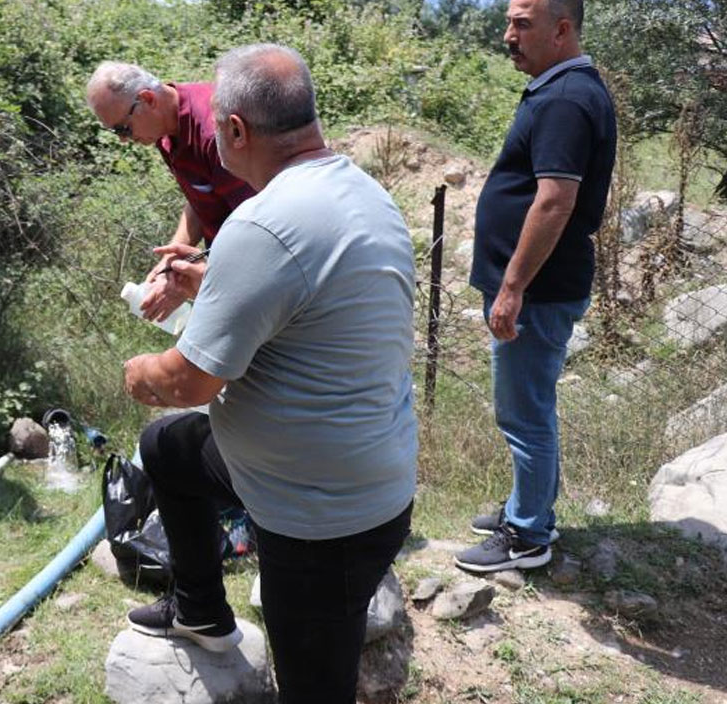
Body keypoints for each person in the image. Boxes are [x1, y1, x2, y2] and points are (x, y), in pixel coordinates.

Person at [121, 44, 418, 703]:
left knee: (314, 689)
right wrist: (211, 284)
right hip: (357, 471)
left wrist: (142, 371)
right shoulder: (361, 193)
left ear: (235, 132)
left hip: (322, 517)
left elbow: (189, 381)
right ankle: (200, 608)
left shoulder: (264, 222)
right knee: (168, 449)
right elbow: (303, 306)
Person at [454, 0, 616, 573]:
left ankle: (527, 535)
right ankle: (530, 508)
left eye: (522, 24)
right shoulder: (560, 90)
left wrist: (513, 286)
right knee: (527, 408)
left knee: (524, 414)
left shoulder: (568, 99)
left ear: (561, 29)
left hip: (539, 290)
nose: (508, 36)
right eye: (508, 22)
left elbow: (554, 200)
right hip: (538, 286)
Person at [85, 62, 255, 324]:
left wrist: (197, 281)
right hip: (232, 270)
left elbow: (258, 229)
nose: (122, 140)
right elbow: (202, 199)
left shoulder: (214, 134)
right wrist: (172, 259)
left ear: (147, 99)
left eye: (123, 128)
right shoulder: (167, 133)